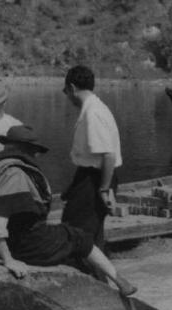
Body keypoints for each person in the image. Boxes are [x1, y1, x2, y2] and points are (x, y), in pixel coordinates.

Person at [0, 125, 137, 296]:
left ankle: (113, 280)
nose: (36, 156)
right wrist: (9, 260)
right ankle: (119, 281)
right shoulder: (14, 174)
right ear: (27, 150)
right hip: (23, 246)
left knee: (65, 235)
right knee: (79, 238)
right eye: (34, 151)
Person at [61, 65, 122, 283]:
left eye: (65, 91)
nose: (67, 97)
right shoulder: (94, 108)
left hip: (96, 179)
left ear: (72, 87)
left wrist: (104, 189)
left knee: (77, 234)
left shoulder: (93, 113)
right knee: (92, 235)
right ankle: (99, 280)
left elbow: (108, 156)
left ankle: (91, 281)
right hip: (89, 176)